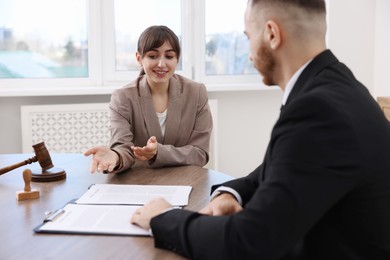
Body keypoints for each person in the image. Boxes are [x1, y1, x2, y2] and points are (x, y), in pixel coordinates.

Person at [131, 0, 390, 259]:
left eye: (249, 37)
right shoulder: (340, 88)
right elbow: (283, 166)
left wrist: (165, 218)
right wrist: (230, 192)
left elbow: (250, 241)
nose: (249, 51)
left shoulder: (318, 109)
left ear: (272, 34)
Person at [84, 25, 213, 173]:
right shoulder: (122, 97)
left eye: (169, 56)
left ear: (177, 59)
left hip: (185, 179)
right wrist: (115, 156)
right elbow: (122, 148)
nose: (161, 64)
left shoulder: (196, 92)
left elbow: (200, 153)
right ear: (139, 58)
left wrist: (159, 152)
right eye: (153, 56)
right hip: (141, 181)